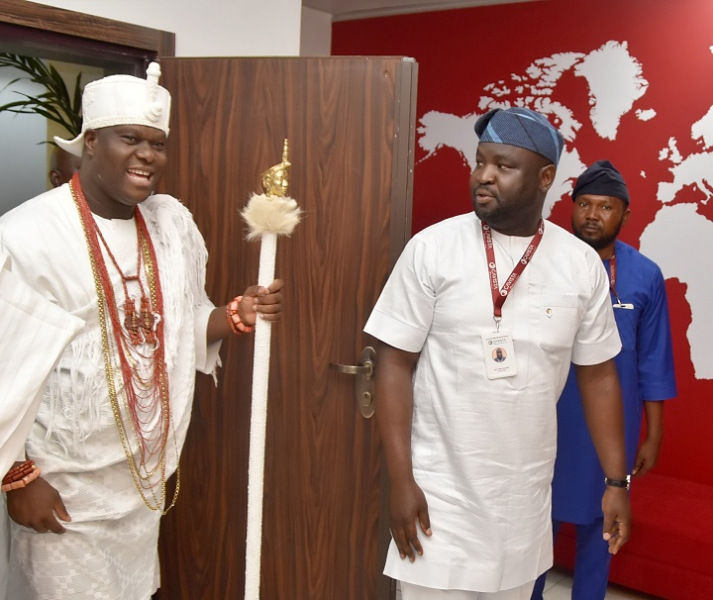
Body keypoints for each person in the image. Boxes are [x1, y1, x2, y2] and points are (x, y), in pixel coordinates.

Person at [0, 62, 283, 600]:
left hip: (139, 480)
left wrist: (237, 313)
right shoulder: (27, 234)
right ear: (91, 142)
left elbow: (175, 330)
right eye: (130, 139)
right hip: (60, 486)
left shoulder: (169, 224)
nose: (148, 155)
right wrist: (18, 477)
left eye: (157, 143)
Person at [363, 107, 631, 600]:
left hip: (523, 506)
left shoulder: (579, 266)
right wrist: (400, 480)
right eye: (480, 161)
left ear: (545, 178)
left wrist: (617, 481)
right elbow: (394, 363)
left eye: (503, 166)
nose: (484, 175)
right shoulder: (432, 249)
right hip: (438, 502)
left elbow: (598, 375)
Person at [531, 161, 677, 600]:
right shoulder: (541, 263)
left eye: (606, 206)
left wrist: (653, 434)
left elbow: (654, 360)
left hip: (614, 423)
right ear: (572, 208)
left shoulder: (645, 275)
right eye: (585, 204)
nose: (593, 214)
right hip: (547, 417)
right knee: (535, 527)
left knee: (603, 525)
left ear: (625, 215)